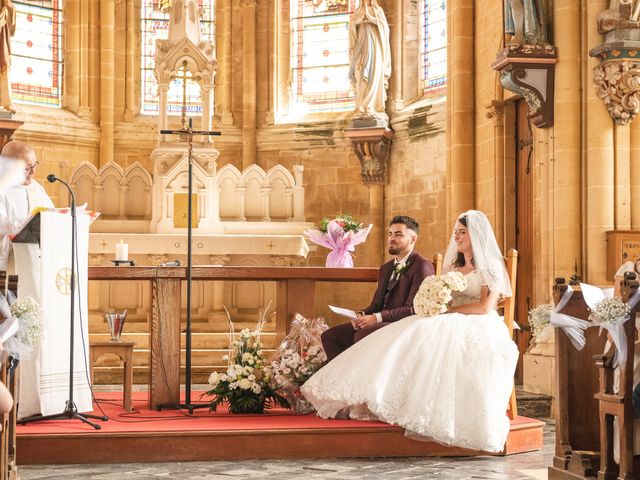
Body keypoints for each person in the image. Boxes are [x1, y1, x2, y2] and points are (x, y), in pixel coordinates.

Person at [302, 210, 519, 453]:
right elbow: (440, 298)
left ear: (476, 236)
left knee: (418, 335)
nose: (456, 237)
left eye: (462, 232)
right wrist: (438, 304)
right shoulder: (455, 267)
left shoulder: (489, 267)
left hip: (478, 322)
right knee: (407, 333)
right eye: (455, 232)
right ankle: (375, 397)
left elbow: (484, 306)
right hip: (447, 317)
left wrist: (449, 311)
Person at [321, 215, 434, 361]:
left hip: (402, 325)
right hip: (381, 322)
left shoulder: (423, 266)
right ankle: (340, 379)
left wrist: (376, 318)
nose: (392, 238)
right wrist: (361, 315)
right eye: (390, 234)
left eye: (398, 234)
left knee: (362, 334)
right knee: (330, 336)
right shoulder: (385, 268)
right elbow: (376, 305)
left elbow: (413, 308)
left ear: (413, 239)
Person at [0, 141, 54, 270]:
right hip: (11, 266)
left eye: (34, 165)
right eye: (26, 168)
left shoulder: (37, 188)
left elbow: (52, 216)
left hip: (39, 262)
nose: (33, 172)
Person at [348, 0, 391, 117]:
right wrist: (358, 21)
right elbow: (351, 29)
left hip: (375, 46)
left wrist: (372, 19)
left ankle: (371, 106)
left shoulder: (378, 10)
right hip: (361, 48)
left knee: (374, 74)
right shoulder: (357, 12)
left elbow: (385, 29)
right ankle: (361, 107)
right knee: (361, 74)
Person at [0, 0, 15, 113]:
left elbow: (10, 7)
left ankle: (5, 102)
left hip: (2, 33)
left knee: (4, 65)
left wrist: (8, 7)